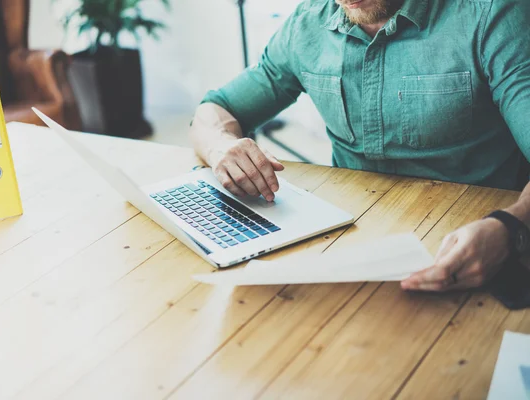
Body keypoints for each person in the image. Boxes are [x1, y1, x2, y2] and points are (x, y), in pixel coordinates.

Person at [189, 0, 530, 292]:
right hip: (349, 250)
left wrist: (511, 225)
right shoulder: (309, 23)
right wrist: (221, 147)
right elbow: (216, 109)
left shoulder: (491, 15)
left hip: (470, 246)